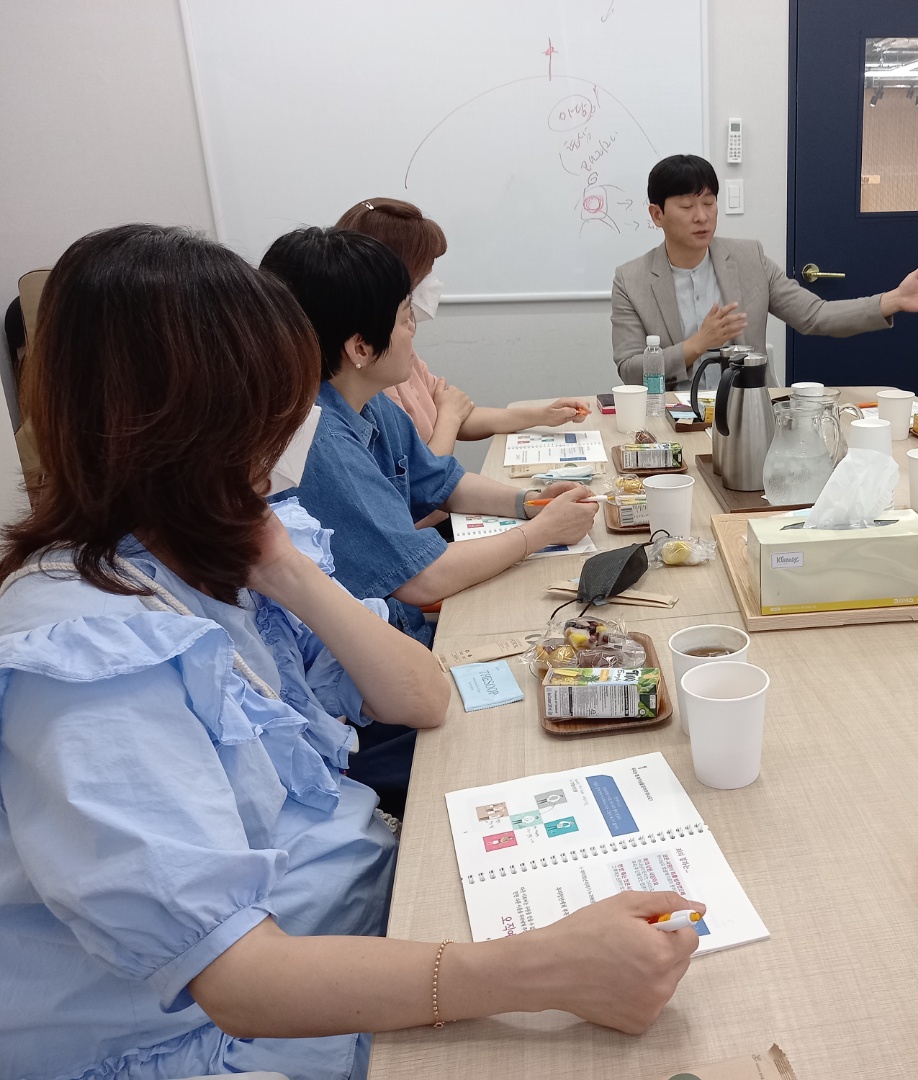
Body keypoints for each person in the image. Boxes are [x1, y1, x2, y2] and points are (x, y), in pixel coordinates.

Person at [0, 224, 701, 1080]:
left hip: (366, 909)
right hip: (246, 1023)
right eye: (275, 406)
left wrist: (287, 570)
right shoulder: (88, 653)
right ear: (189, 426)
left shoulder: (225, 548)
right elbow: (240, 983)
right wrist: (538, 970)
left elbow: (421, 697)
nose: (299, 427)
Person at [260, 226, 598, 650]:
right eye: (405, 318)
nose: (413, 330)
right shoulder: (320, 440)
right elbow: (420, 578)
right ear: (360, 348)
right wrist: (542, 532)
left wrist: (529, 503)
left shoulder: (366, 398)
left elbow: (441, 481)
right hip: (379, 652)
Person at [611, 154, 918, 389]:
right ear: (657, 215)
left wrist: (890, 300)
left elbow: (815, 316)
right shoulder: (631, 279)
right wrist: (696, 345)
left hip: (747, 411)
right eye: (687, 206)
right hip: (674, 416)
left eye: (709, 202)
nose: (701, 216)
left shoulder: (749, 258)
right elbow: (629, 369)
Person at [336, 197, 589, 457]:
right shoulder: (375, 373)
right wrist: (450, 415)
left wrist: (543, 415)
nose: (431, 283)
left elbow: (459, 413)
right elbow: (423, 471)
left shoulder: (400, 352)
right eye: (425, 273)